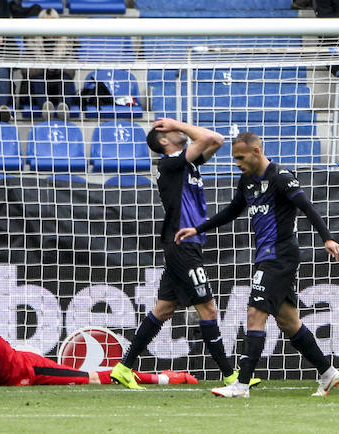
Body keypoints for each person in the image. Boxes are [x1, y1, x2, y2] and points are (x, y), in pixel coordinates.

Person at [176, 132, 339, 399]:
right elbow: (231, 211)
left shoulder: (281, 177)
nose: (236, 163)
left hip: (280, 256)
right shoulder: (246, 181)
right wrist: (196, 229)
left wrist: (328, 239)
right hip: (266, 256)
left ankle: (241, 385)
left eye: (240, 157)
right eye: (234, 158)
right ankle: (327, 372)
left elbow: (307, 207)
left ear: (256, 151)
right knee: (289, 322)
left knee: (255, 312)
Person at [109, 118, 256, 390]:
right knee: (208, 309)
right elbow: (208, 135)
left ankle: (123, 367)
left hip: (186, 245)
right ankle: (229, 375)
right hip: (182, 245)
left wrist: (176, 127)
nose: (179, 132)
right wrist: (175, 123)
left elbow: (217, 140)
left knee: (163, 309)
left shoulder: (186, 164)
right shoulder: (170, 164)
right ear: (164, 141)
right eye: (172, 132)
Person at [0, 327, 198, 387]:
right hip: (20, 365)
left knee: (88, 378)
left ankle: (165, 378)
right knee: (85, 378)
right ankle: (162, 377)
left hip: (27, 372)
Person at [19, 8, 77, 121]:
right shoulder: (31, 41)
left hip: (58, 84)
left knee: (65, 78)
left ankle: (64, 109)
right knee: (38, 78)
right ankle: (45, 109)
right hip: (37, 88)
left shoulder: (66, 42)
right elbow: (25, 70)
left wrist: (57, 69)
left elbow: (72, 71)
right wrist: (45, 68)